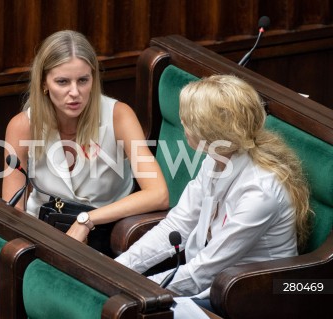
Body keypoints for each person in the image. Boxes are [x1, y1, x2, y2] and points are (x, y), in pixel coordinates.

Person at [115, 74, 312, 309]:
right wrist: (118, 270)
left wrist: (134, 295)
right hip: (215, 285)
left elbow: (205, 271)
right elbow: (176, 226)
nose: (182, 124)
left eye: (187, 120)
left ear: (209, 132)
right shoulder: (216, 158)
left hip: (254, 298)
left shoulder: (260, 192)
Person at [2, 30, 169, 248]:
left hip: (107, 236)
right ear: (44, 83)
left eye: (83, 80)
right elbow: (12, 209)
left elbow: (158, 194)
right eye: (62, 82)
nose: (75, 92)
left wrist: (87, 220)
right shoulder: (22, 126)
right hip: (43, 232)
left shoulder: (119, 116)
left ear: (93, 78)